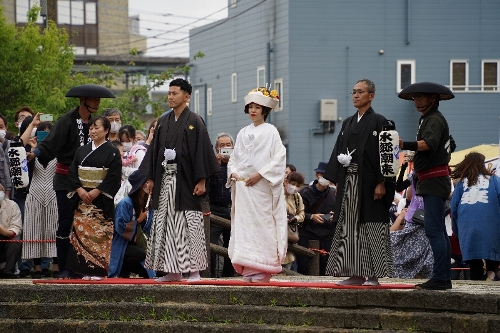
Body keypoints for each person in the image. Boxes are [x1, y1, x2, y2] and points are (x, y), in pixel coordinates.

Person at [30, 84, 115, 279]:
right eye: (93, 99)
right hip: (66, 179)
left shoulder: (96, 123)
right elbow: (50, 144)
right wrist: (34, 153)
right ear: (82, 100)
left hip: (90, 182)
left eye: (98, 100)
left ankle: (84, 267)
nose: (97, 102)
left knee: (86, 224)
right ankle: (64, 267)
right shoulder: (66, 120)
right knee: (66, 223)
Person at [143, 78, 219, 282]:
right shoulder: (162, 122)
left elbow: (203, 152)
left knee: (189, 224)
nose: (170, 97)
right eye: (169, 93)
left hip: (185, 181)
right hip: (165, 178)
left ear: (187, 96)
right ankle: (172, 270)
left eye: (174, 93)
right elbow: (153, 153)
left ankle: (193, 271)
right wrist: (150, 177)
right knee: (166, 225)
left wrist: (201, 180)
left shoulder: (195, 120)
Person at [324, 78, 395, 286]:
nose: (355, 95)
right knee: (349, 227)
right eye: (353, 92)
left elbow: (387, 155)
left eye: (360, 92)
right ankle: (354, 274)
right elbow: (338, 152)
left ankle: (373, 275)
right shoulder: (347, 123)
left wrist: (382, 182)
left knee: (370, 226)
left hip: (371, 183)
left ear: (371, 96)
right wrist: (338, 182)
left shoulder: (381, 121)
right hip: (349, 181)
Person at [227, 86, 287, 283]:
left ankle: (263, 267)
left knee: (264, 225)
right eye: (250, 107)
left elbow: (279, 158)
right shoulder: (243, 132)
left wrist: (260, 175)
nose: (253, 111)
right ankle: (248, 268)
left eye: (257, 107)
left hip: (261, 187)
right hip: (244, 187)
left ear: (265, 110)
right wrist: (234, 172)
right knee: (245, 226)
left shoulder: (271, 132)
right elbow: (234, 158)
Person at [398, 81, 454, 290]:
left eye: (421, 97)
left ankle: (440, 276)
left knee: (434, 230)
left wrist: (405, 145)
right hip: (432, 180)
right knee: (438, 230)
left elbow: (428, 144)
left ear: (433, 99)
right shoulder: (428, 119)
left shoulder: (433, 119)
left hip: (433, 180)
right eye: (415, 97)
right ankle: (444, 277)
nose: (417, 101)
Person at [66, 116, 122, 279]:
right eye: (91, 128)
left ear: (106, 130)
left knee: (99, 235)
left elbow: (114, 175)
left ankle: (98, 271)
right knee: (82, 233)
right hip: (82, 198)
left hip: (101, 199)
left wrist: (98, 190)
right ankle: (84, 270)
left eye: (96, 127)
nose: (93, 130)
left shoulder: (112, 151)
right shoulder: (81, 150)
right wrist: (79, 189)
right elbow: (72, 171)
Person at [19, 115, 59, 278]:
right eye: (42, 132)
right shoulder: (30, 151)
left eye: (49, 132)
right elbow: (23, 172)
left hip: (53, 194)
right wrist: (33, 149)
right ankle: (37, 267)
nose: (46, 135)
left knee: (54, 229)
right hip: (33, 193)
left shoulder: (59, 151)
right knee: (34, 229)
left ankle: (56, 265)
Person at [450, 152, 500, 281]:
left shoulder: (461, 183)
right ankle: (491, 274)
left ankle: (476, 281)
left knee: (474, 260)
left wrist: (456, 230)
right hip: (491, 222)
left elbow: (454, 208)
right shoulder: (494, 180)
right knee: (493, 254)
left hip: (467, 224)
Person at [390, 159, 434, 279]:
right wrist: (404, 168)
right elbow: (399, 186)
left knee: (424, 253)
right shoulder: (414, 175)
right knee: (411, 250)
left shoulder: (432, 175)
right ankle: (412, 277)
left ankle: (421, 277)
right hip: (414, 217)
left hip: (425, 217)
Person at [109, 170, 151, 278]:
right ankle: (123, 270)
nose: (149, 185)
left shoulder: (146, 202)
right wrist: (138, 221)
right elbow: (120, 227)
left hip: (139, 244)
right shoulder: (125, 203)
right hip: (123, 244)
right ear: (142, 185)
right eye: (147, 182)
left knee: (150, 273)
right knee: (140, 254)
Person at [297, 173, 335, 275]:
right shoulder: (304, 192)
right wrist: (311, 216)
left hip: (328, 234)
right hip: (308, 233)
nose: (325, 178)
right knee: (304, 267)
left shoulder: (334, 192)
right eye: (322, 174)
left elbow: (344, 212)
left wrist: (335, 216)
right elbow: (297, 213)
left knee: (327, 269)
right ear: (317, 175)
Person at [208, 132, 235, 278]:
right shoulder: (212, 164)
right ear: (216, 148)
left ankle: (229, 276)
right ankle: (210, 275)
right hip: (214, 209)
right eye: (222, 146)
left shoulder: (238, 164)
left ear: (233, 147)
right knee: (211, 244)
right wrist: (214, 166)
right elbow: (207, 187)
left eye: (228, 145)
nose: (225, 148)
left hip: (232, 209)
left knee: (231, 246)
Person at [282, 171, 305, 270]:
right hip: (275, 233)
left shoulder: (297, 196)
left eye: (297, 185)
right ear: (286, 181)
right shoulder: (276, 193)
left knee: (289, 264)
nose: (294, 187)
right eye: (293, 184)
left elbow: (302, 213)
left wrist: (295, 218)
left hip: (290, 235)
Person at [0, 184, 22, 278]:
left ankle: (8, 270)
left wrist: (4, 231)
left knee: (16, 241)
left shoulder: (12, 205)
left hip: (6, 237)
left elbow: (16, 228)